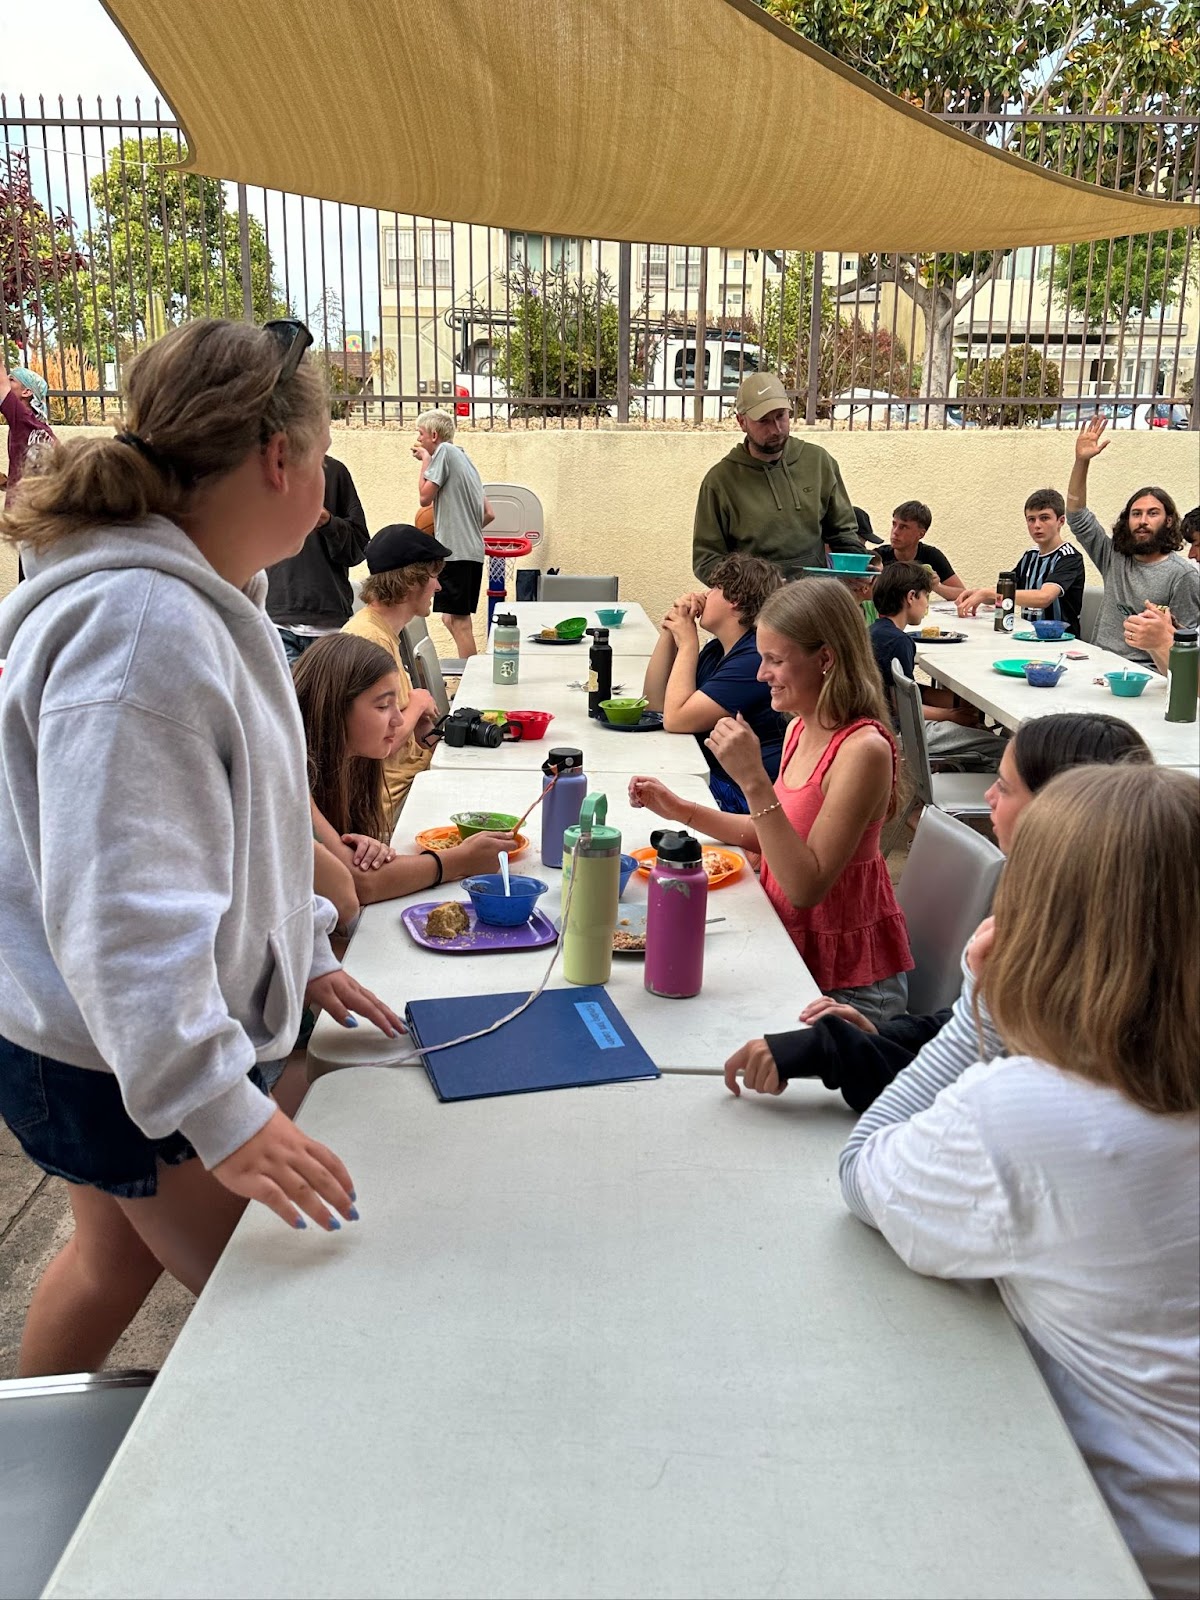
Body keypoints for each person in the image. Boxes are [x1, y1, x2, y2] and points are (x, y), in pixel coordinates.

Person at [0, 318, 403, 1378]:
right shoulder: (146, 631)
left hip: (96, 1038)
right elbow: (121, 914)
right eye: (325, 454)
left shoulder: (209, 601)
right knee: (273, 1321)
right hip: (117, 1048)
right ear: (279, 458)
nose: (328, 487)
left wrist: (305, 947)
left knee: (108, 1265)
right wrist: (223, 1112)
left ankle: (22, 1451)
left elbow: (241, 832)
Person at [840, 763, 1199, 1600]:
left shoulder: (1031, 1114)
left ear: (1038, 922)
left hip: (1132, 1552)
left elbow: (862, 1166)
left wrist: (983, 1012)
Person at [723, 712, 1152, 1103]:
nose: (988, 795)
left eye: (1004, 786)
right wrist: (878, 1038)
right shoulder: (1072, 913)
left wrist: (840, 1050)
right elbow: (971, 1029)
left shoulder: (1093, 974)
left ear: (1060, 812)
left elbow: (957, 1090)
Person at [630, 580, 913, 1024]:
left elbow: (805, 887)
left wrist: (753, 781)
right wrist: (680, 809)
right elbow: (770, 834)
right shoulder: (801, 726)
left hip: (849, 986)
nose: (761, 675)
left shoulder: (863, 750)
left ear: (825, 659)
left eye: (775, 660)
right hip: (796, 948)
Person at [292, 633, 511, 904]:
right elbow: (359, 884)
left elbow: (354, 867)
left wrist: (361, 847)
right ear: (334, 707)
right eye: (383, 706)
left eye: (397, 704)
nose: (398, 720)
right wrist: (460, 860)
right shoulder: (292, 778)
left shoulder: (354, 761)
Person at [641, 554, 787, 811]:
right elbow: (654, 704)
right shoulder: (717, 650)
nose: (705, 595)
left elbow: (676, 720)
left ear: (735, 599)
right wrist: (670, 630)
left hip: (744, 796)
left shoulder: (753, 659)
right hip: (715, 775)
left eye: (715, 588)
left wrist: (688, 642)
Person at [692, 372, 862, 583]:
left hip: (815, 594)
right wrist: (756, 584)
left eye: (781, 416)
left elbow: (843, 533)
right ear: (742, 422)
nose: (776, 429)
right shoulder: (720, 481)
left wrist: (859, 567)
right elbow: (706, 561)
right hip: (754, 599)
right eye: (763, 421)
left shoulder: (819, 462)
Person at [1066, 415, 1199, 673]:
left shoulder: (1183, 576)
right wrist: (1081, 461)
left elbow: (1184, 650)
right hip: (1096, 666)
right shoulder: (1113, 556)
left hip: (1147, 675)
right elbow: (1076, 516)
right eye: (1136, 514)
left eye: (1152, 513)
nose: (1143, 521)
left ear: (1168, 521)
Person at [342, 522, 447, 827]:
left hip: (413, 780)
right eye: (433, 576)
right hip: (393, 805)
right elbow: (378, 743)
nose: (438, 587)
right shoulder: (368, 640)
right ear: (411, 581)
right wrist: (418, 703)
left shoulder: (384, 632)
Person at [870, 561, 1006, 767]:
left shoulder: (877, 631)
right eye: (926, 596)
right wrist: (950, 716)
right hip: (900, 732)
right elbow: (902, 705)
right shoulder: (898, 641)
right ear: (911, 597)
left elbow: (899, 689)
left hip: (881, 725)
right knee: (1002, 748)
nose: (926, 604)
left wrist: (955, 704)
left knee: (975, 727)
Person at [266, 453, 370, 664]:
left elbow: (358, 548)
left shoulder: (335, 471)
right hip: (275, 622)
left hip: (327, 624)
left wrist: (328, 522)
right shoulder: (258, 469)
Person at [413, 408, 494, 660]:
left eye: (421, 433)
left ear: (434, 435)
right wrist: (463, 527)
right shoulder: (466, 460)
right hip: (471, 551)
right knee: (449, 618)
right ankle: (466, 671)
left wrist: (425, 459)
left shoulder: (444, 452)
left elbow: (425, 498)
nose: (418, 439)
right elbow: (489, 513)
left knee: (459, 622)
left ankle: (471, 678)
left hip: (456, 553)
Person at [955, 488, 1086, 636]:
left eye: (1044, 518)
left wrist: (989, 593)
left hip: (1060, 640)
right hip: (1029, 635)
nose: (1037, 525)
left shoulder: (1069, 557)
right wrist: (978, 594)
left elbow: (1044, 597)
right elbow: (1008, 590)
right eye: (1031, 519)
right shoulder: (1030, 556)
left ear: (1060, 521)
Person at [877, 500, 964, 600]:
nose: (895, 532)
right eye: (894, 524)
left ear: (921, 534)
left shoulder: (931, 555)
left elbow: (962, 594)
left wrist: (936, 587)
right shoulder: (879, 557)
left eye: (904, 527)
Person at [0, 358, 56, 510]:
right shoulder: (45, 430)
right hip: (38, 509)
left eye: (11, 379)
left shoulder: (21, 418)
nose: (7, 382)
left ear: (26, 392)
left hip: (20, 509)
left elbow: (1, 384)